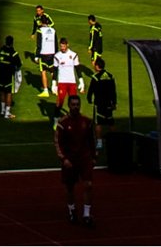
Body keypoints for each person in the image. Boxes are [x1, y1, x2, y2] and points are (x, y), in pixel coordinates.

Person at [55, 94, 97, 227]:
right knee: (70, 187)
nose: (75, 107)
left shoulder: (87, 121)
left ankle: (86, 214)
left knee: (88, 184)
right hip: (70, 160)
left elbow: (92, 140)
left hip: (84, 158)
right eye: (73, 105)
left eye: (77, 105)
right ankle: (72, 209)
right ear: (69, 106)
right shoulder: (62, 123)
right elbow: (58, 143)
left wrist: (94, 157)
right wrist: (64, 159)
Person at [87, 56, 118, 151]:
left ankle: (99, 143)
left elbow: (91, 90)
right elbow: (114, 91)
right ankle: (114, 141)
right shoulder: (110, 76)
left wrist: (89, 99)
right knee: (110, 122)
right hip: (109, 103)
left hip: (99, 103)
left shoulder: (95, 77)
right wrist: (114, 103)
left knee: (98, 123)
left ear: (97, 66)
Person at [0, 35, 22, 119]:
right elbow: (19, 64)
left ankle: (2, 110)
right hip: (9, 75)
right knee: (9, 93)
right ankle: (7, 113)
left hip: (1, 73)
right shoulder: (13, 53)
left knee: (2, 91)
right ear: (12, 43)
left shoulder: (0, 50)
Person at [35, 9, 57, 97]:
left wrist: (37, 55)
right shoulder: (53, 30)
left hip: (43, 54)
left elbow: (39, 44)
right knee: (52, 70)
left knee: (43, 71)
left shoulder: (40, 31)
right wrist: (56, 53)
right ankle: (54, 88)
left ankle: (45, 91)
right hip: (52, 53)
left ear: (41, 22)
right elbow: (55, 43)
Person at [53, 37, 80, 111]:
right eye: (61, 46)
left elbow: (77, 68)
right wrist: (53, 83)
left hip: (72, 82)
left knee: (73, 102)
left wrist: (81, 81)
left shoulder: (73, 55)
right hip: (62, 82)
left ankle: (74, 117)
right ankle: (56, 116)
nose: (62, 48)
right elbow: (55, 70)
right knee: (60, 101)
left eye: (64, 46)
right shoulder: (57, 56)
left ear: (67, 45)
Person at [82, 14, 104, 93]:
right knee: (98, 61)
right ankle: (99, 75)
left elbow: (92, 39)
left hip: (95, 48)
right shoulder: (98, 25)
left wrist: (90, 48)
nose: (88, 22)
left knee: (94, 62)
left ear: (91, 20)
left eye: (88, 20)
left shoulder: (93, 28)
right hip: (100, 46)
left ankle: (98, 76)